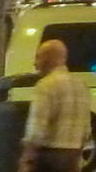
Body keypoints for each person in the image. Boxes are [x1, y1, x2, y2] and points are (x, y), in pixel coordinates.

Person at [19, 39, 91, 172]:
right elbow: (86, 129)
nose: (35, 64)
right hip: (73, 156)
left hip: (48, 156)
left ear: (48, 59)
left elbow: (36, 130)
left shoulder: (45, 85)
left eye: (38, 57)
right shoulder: (81, 85)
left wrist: (27, 159)